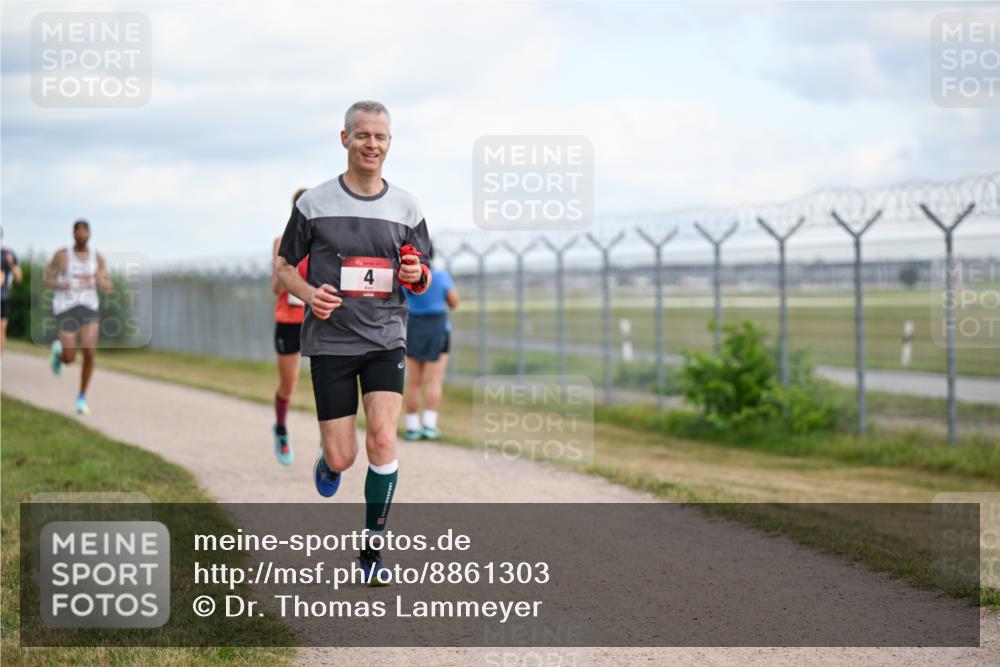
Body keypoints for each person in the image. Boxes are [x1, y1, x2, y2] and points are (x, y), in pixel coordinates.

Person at [275, 101, 431, 585]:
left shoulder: (407, 207)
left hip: (386, 338)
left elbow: (422, 276)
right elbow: (283, 267)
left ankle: (371, 553)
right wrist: (307, 294)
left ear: (390, 143)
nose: (372, 144)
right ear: (345, 139)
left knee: (383, 438)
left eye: (380, 137)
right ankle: (328, 455)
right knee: (344, 457)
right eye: (362, 135)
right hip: (332, 343)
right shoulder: (314, 204)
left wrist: (415, 272)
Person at [44, 219, 112, 415]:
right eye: (78, 231)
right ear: (73, 234)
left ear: (90, 234)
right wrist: (59, 285)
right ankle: (60, 353)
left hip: (89, 307)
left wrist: (103, 283)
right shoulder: (63, 255)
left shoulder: (96, 257)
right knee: (70, 358)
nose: (81, 234)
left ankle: (81, 397)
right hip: (66, 307)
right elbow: (46, 278)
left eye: (84, 231)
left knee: (89, 352)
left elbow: (106, 283)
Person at [402, 242, 458, 440]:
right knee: (434, 380)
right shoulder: (441, 276)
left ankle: (412, 426)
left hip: (413, 328)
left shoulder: (406, 278)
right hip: (438, 330)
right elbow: (454, 302)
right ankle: (429, 425)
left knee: (414, 381)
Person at [271, 187, 310, 465]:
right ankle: (281, 429)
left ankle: (328, 444)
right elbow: (276, 287)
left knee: (328, 387)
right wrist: (287, 274)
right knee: (289, 386)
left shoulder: (327, 242)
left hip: (318, 319)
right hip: (289, 320)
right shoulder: (282, 241)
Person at [1, 228, 23, 351]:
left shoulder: (8, 254)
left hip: (3, 296)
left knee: (1, 328)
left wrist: (11, 264)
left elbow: (19, 277)